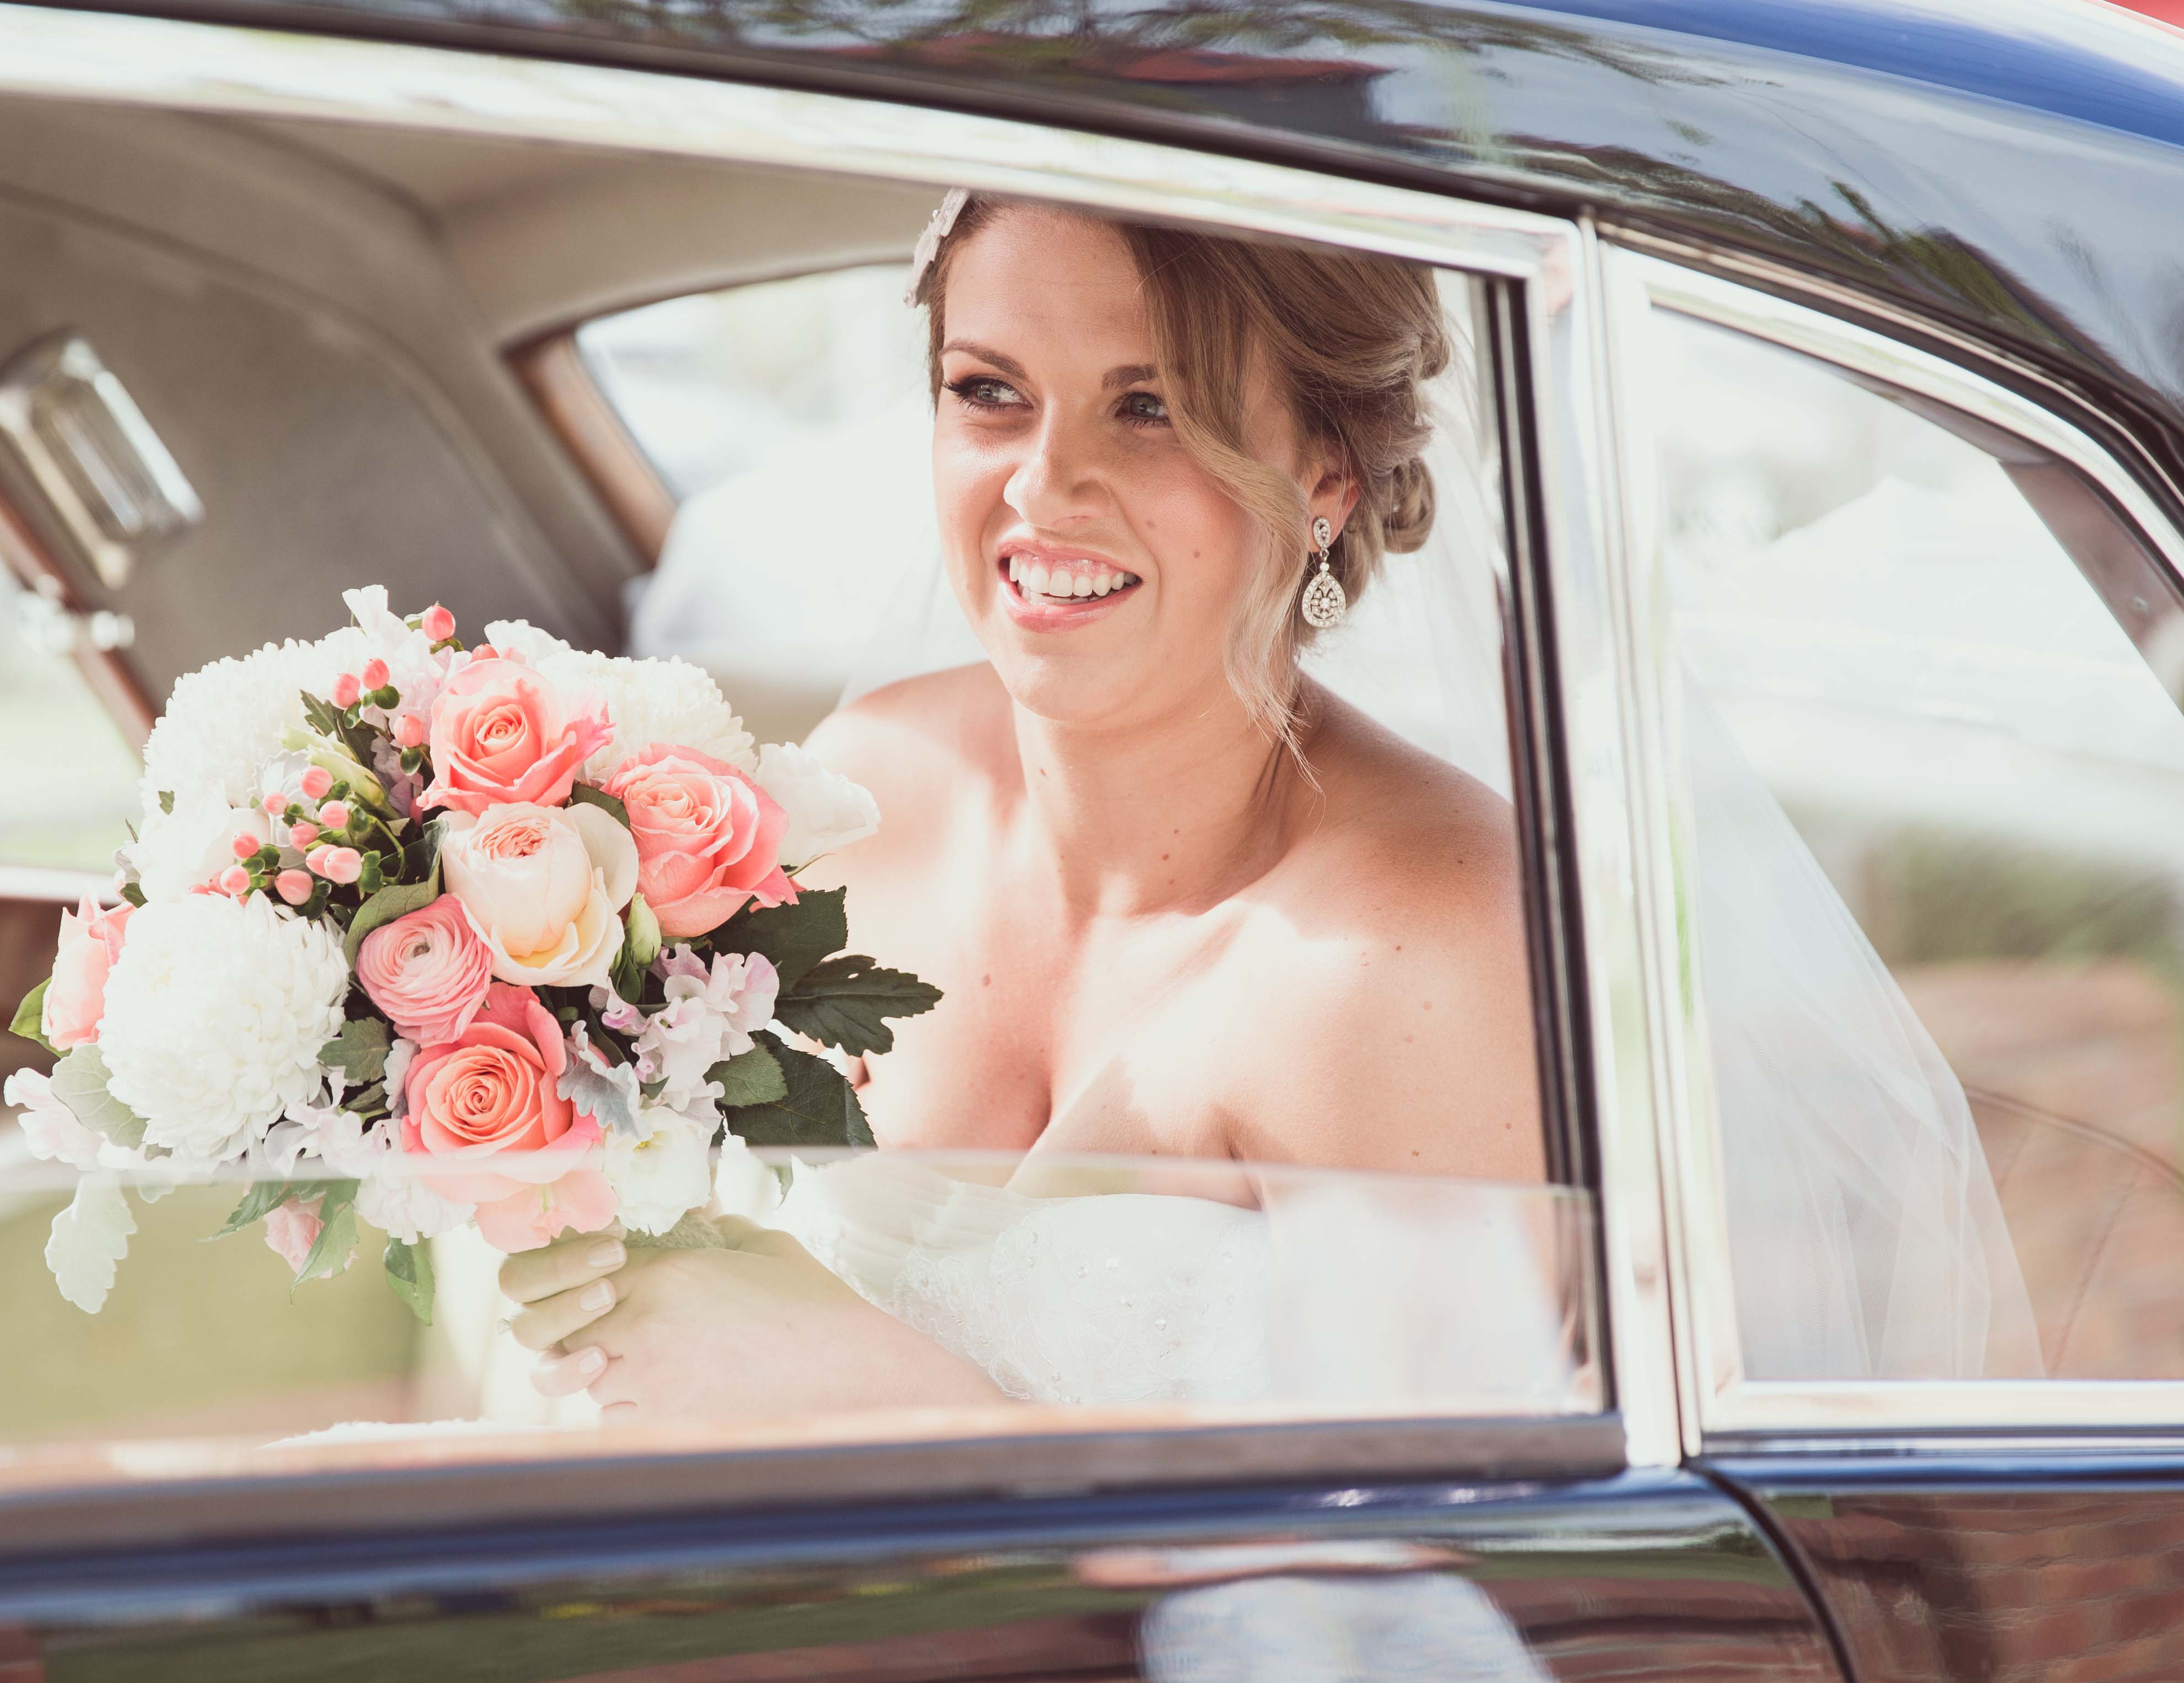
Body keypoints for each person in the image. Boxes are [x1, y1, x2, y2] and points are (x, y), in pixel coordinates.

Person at [492, 196, 1548, 1424]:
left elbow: (1467, 1523)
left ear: (1327, 476)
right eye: (990, 391)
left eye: (1151, 408)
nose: (1045, 485)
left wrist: (884, 1392)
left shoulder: (1422, 947)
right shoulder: (865, 792)